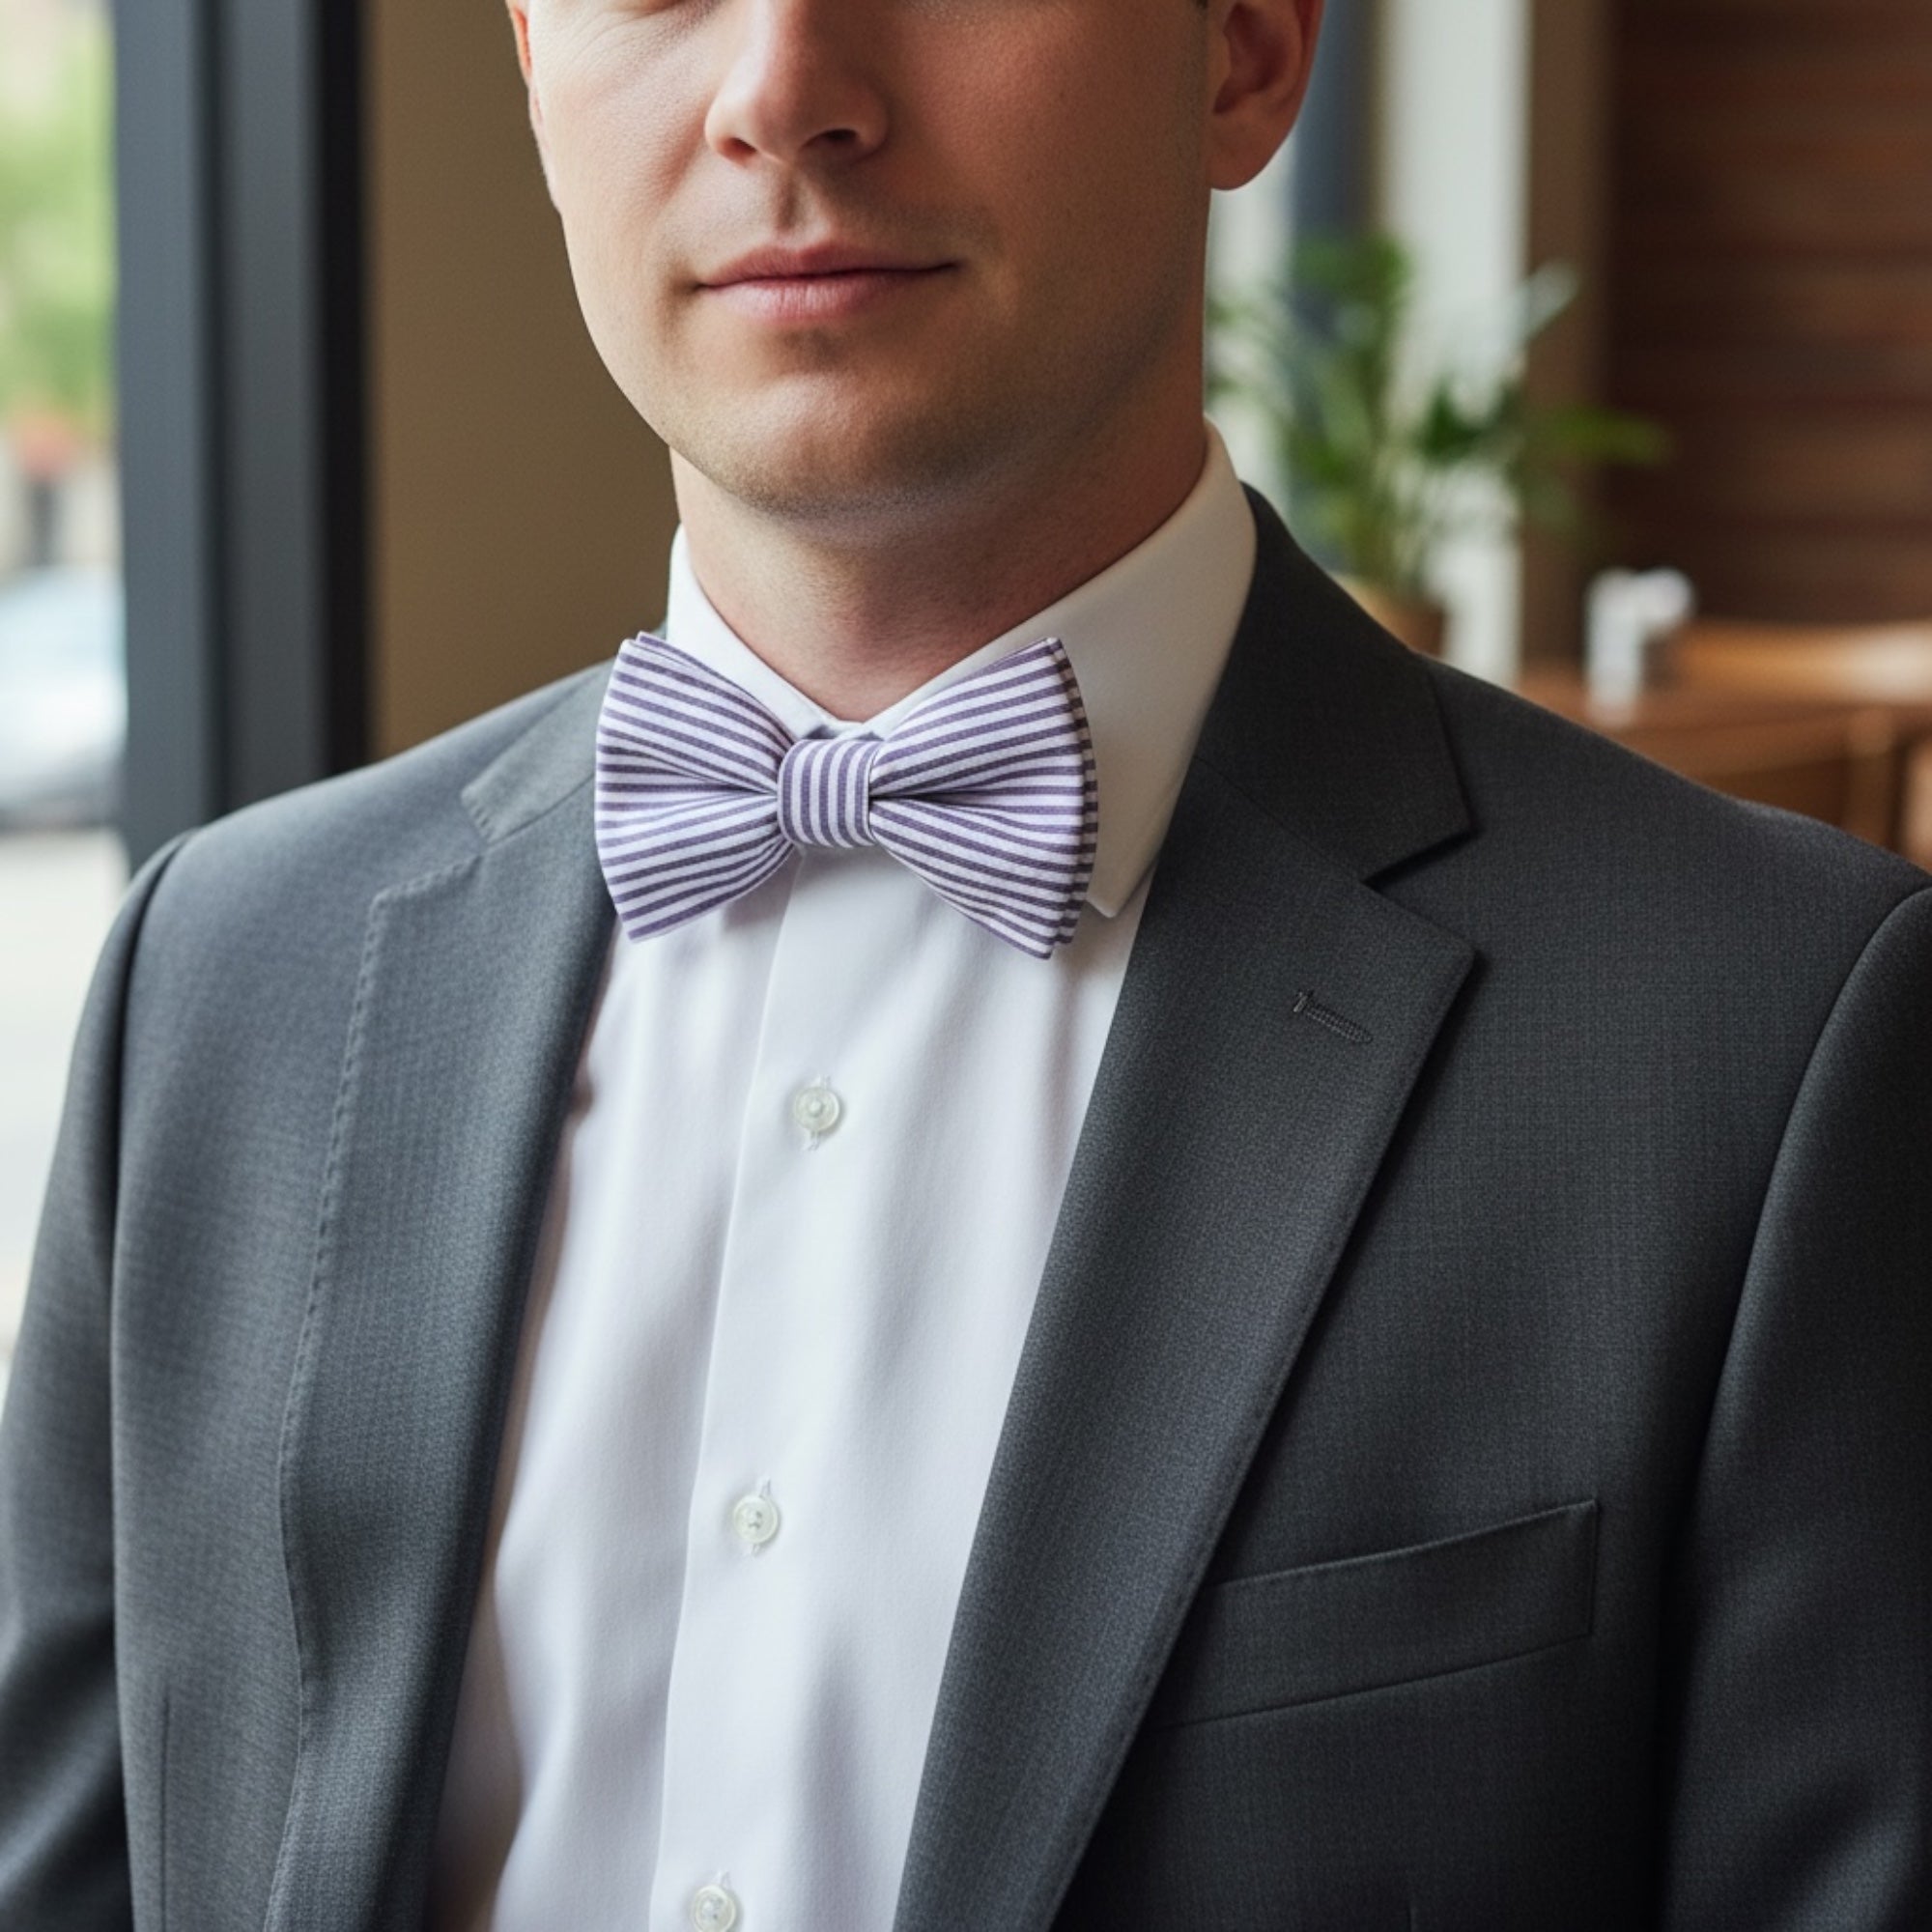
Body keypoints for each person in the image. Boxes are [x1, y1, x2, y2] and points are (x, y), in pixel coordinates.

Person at [1, 0, 1926, 1924]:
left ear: (1247, 50)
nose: (780, 93)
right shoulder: (215, 987)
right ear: (528, 59)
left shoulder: (1768, 1054)